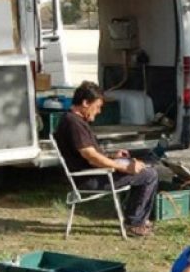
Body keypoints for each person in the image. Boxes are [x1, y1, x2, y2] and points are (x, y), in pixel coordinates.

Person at [53, 81, 159, 236]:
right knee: (149, 175)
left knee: (144, 167)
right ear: (85, 103)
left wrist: (112, 157)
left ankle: (136, 219)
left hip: (94, 173)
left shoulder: (74, 121)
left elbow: (91, 154)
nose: (99, 111)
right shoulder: (73, 123)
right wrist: (123, 167)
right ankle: (134, 223)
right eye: (97, 106)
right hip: (89, 179)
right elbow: (91, 156)